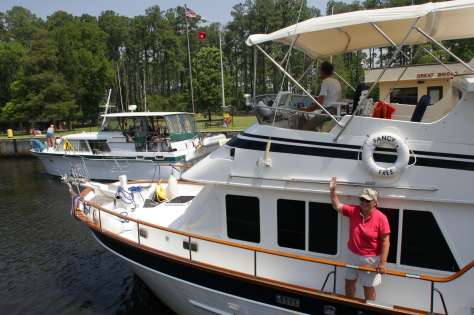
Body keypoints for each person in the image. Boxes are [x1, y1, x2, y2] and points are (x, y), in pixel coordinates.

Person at [329, 177, 390, 301]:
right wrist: (332, 190)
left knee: (368, 287)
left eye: (368, 200)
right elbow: (337, 206)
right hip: (352, 255)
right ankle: (350, 306)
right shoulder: (354, 211)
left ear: (375, 202)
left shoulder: (381, 218)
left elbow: (385, 242)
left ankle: (370, 309)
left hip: (370, 259)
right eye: (362, 199)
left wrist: (382, 263)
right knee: (349, 282)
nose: (364, 202)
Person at [303, 61, 342, 131]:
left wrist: (306, 109)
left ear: (323, 71)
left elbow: (319, 104)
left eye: (320, 70)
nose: (319, 72)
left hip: (328, 112)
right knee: (316, 125)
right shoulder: (337, 82)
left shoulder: (325, 82)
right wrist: (317, 99)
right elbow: (332, 97)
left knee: (307, 126)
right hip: (336, 111)